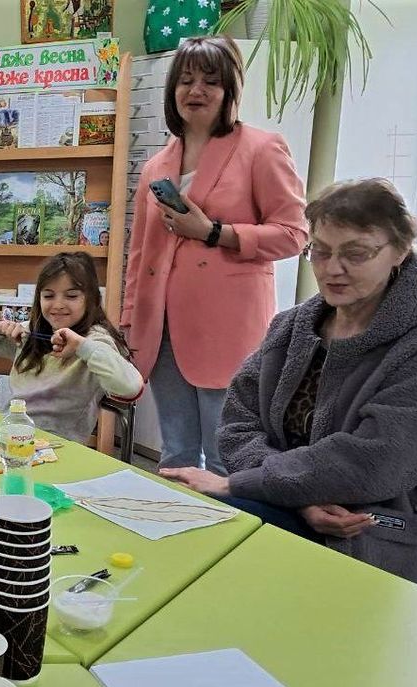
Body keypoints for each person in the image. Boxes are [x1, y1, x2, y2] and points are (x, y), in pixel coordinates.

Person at [162, 179, 417, 592]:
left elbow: (372, 461)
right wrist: (298, 497)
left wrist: (243, 483)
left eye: (356, 253)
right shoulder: (293, 326)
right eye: (321, 251)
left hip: (371, 538)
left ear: (400, 251)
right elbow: (237, 424)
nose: (332, 268)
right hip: (289, 508)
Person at [120, 34, 307, 474]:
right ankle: (174, 517)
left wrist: (214, 233)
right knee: (175, 453)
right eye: (186, 80)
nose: (196, 90)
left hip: (227, 328)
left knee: (227, 458)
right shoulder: (156, 165)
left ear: (230, 90)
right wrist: (129, 321)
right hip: (161, 326)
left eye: (210, 81)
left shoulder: (261, 149)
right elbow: (140, 255)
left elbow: (294, 234)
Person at [0, 252, 143, 442]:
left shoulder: (95, 341)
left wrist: (81, 346)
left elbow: (131, 388)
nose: (58, 305)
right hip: (12, 434)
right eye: (48, 295)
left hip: (59, 445)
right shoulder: (30, 333)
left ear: (91, 299)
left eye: (71, 296)